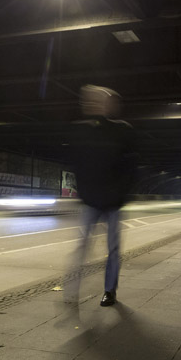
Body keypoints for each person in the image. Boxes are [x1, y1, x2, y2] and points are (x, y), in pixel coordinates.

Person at [67, 85, 138, 307]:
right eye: (88, 100)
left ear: (108, 105)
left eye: (98, 100)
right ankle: (73, 289)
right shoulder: (80, 130)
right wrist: (83, 192)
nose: (92, 103)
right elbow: (76, 163)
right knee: (82, 246)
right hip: (90, 200)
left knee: (113, 249)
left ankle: (109, 291)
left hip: (113, 202)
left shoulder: (122, 130)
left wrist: (122, 195)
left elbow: (131, 166)